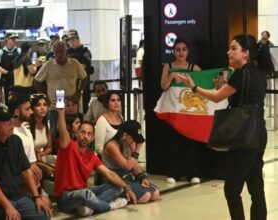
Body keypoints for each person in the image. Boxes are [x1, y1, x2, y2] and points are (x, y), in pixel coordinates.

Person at [176, 34, 274, 220]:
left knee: (231, 189)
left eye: (234, 48)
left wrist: (193, 87)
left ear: (246, 53)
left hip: (243, 134)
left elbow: (217, 97)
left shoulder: (240, 74)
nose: (228, 51)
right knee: (256, 186)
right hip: (259, 132)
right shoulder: (259, 72)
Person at [0, 107, 52, 219]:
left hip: (16, 196)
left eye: (11, 121)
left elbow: (26, 171)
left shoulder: (15, 140)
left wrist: (37, 197)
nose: (11, 125)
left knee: (42, 214)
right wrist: (8, 207)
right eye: (6, 123)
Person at [55, 106, 137, 217]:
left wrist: (127, 187)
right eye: (83, 132)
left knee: (118, 186)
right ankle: (108, 206)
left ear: (93, 137)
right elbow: (63, 131)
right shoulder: (69, 146)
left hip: (83, 192)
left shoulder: (91, 156)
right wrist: (61, 112)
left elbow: (109, 173)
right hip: (65, 198)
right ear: (77, 133)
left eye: (89, 134)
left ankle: (89, 208)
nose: (85, 136)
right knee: (86, 193)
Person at [160, 38, 201, 184]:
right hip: (172, 111)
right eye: (178, 49)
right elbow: (163, 86)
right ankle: (173, 173)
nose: (181, 52)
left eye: (184, 49)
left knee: (189, 143)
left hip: (188, 112)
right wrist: (172, 76)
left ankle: (192, 173)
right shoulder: (168, 66)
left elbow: (201, 90)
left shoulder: (194, 68)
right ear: (173, 52)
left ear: (188, 51)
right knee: (172, 144)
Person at [34, 41, 87, 139]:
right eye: (56, 52)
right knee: (55, 134)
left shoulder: (74, 63)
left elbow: (84, 78)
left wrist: (79, 92)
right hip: (54, 107)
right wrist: (45, 97)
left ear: (66, 51)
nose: (59, 54)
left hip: (72, 106)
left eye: (61, 51)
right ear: (53, 52)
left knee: (76, 133)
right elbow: (36, 81)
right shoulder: (48, 65)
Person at [8, 94, 52, 207]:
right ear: (17, 112)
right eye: (27, 109)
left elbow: (32, 162)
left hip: (31, 178)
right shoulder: (10, 132)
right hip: (18, 180)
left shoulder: (26, 131)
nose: (31, 112)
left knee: (47, 205)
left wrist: (36, 171)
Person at [102, 120, 160, 203]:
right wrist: (138, 149)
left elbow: (134, 165)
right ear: (125, 134)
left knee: (155, 193)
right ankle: (121, 197)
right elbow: (127, 166)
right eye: (134, 137)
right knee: (145, 196)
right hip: (113, 178)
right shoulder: (112, 145)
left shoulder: (130, 143)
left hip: (126, 176)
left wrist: (142, 177)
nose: (135, 141)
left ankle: (128, 194)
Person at [67, 29, 94, 113]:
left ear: (78, 39)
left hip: (82, 86)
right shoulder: (67, 52)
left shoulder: (85, 52)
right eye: (70, 40)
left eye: (74, 40)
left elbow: (82, 67)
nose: (72, 42)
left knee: (83, 109)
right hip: (70, 86)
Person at [95, 90, 123, 156]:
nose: (116, 103)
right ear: (107, 103)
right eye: (113, 100)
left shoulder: (121, 117)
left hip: (121, 159)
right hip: (106, 161)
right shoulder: (102, 120)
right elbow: (98, 148)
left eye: (118, 100)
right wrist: (114, 157)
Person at [0, 33, 21, 102]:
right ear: (6, 40)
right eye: (12, 39)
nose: (14, 41)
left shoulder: (19, 51)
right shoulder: (0, 52)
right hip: (5, 81)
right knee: (6, 100)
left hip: (16, 80)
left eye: (15, 39)